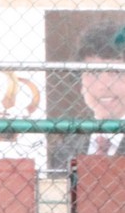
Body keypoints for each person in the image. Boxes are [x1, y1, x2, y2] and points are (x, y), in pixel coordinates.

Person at [50, 21, 125, 170]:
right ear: (80, 82)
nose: (103, 86)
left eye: (116, 72)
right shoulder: (65, 148)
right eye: (94, 72)